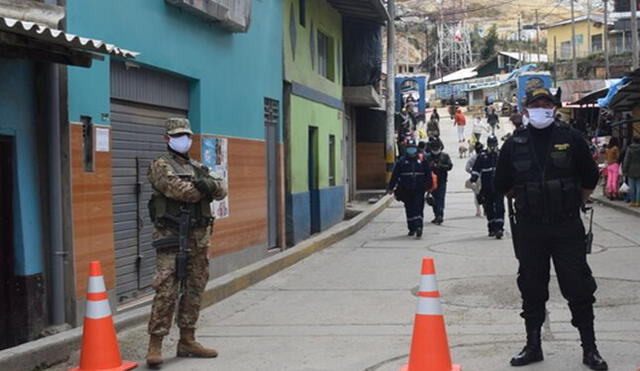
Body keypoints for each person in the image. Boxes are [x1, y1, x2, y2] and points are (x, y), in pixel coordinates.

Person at [494, 88, 608, 370]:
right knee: (531, 287)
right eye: (535, 104)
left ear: (554, 108)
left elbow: (590, 176)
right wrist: (529, 198)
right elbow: (501, 182)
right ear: (525, 108)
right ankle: (533, 346)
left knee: (578, 285)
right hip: (530, 228)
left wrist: (567, 202)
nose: (540, 108)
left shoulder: (571, 138)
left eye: (546, 104)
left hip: (566, 226)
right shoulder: (514, 143)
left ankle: (590, 349)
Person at [146, 118, 227, 368]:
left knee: (195, 288)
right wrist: (206, 188)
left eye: (186, 135)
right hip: (171, 237)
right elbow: (180, 191)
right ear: (167, 138)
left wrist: (210, 185)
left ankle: (187, 339)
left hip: (198, 238)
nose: (183, 140)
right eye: (177, 135)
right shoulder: (160, 165)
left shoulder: (197, 166)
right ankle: (155, 344)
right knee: (166, 289)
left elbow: (222, 189)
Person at [388, 140, 433, 238]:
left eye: (413, 148)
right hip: (406, 190)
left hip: (419, 189)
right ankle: (411, 228)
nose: (411, 150)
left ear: (416, 149)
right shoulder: (401, 161)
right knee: (409, 209)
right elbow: (395, 175)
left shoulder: (422, 161)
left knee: (418, 208)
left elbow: (428, 175)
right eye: (409, 148)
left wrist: (429, 186)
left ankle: (419, 227)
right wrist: (391, 187)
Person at [470, 135, 504, 238]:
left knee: (499, 207)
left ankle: (499, 228)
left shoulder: (501, 155)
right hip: (487, 186)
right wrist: (473, 179)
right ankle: (491, 227)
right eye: (491, 144)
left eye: (494, 144)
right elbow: (476, 168)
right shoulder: (482, 156)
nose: (492, 146)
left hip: (499, 186)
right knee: (488, 207)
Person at [427, 137, 453, 225]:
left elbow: (450, 166)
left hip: (442, 180)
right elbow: (423, 168)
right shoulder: (428, 157)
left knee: (440, 198)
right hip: (431, 182)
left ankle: (440, 215)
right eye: (433, 148)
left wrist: (440, 166)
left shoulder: (445, 156)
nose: (435, 150)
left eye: (437, 148)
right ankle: (436, 215)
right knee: (433, 199)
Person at [465, 142, 484, 217]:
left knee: (476, 194)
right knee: (487, 193)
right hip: (485, 177)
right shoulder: (485, 156)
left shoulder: (472, 158)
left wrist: (472, 173)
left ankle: (478, 210)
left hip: (475, 178)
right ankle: (486, 209)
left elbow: (467, 168)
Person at [622, 136, 640, 206]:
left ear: (633, 141)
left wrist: (624, 170)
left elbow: (626, 160)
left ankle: (633, 201)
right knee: (639, 186)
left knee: (632, 186)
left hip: (631, 169)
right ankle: (638, 202)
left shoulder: (629, 149)